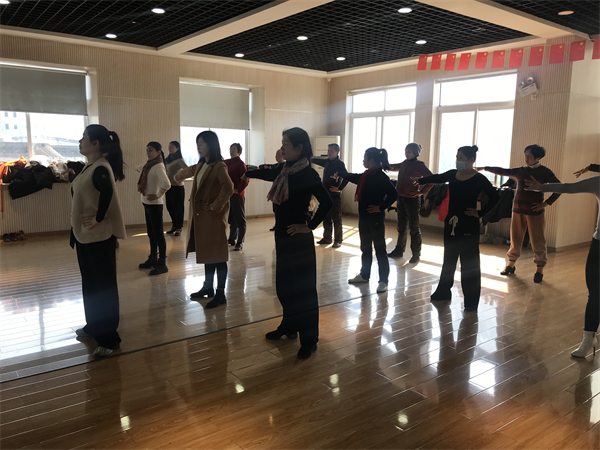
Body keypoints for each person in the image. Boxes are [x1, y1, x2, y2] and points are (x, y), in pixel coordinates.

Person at [244, 127, 332, 359]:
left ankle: (309, 340)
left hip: (299, 238)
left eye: (285, 143)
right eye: (282, 142)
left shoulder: (308, 174)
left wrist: (309, 226)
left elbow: (327, 202)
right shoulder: (284, 170)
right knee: (285, 287)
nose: (282, 147)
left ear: (299, 147)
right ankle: (289, 326)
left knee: (304, 291)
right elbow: (265, 172)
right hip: (283, 235)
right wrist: (244, 171)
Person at [526, 166, 600, 357]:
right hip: (599, 245)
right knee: (595, 294)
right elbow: (570, 187)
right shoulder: (598, 182)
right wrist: (542, 187)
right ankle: (588, 338)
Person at [416, 145, 499, 311]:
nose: (457, 160)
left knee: (469, 263)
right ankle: (443, 292)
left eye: (461, 158)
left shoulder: (479, 178)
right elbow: (438, 178)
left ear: (471, 160)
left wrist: (480, 213)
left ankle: (471, 301)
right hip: (451, 222)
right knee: (449, 259)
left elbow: (495, 197)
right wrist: (420, 180)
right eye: (457, 157)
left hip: (468, 223)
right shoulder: (453, 174)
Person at [71, 124, 126, 357]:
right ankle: (94, 325)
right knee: (91, 284)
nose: (80, 141)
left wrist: (99, 217)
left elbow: (107, 192)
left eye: (83, 137)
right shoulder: (90, 166)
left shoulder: (101, 167)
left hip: (99, 238)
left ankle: (109, 339)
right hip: (86, 237)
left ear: (95, 143)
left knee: (103, 287)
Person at [478, 145, 561, 283]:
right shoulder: (521, 170)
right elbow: (503, 171)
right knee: (515, 238)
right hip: (517, 210)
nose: (526, 158)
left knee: (538, 240)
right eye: (525, 155)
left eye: (529, 156)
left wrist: (546, 203)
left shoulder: (545, 172)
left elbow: (558, 187)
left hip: (535, 212)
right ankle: (510, 265)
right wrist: (484, 168)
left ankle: (539, 269)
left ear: (538, 157)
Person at [174, 131, 234, 309]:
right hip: (203, 219)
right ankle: (208, 287)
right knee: (208, 254)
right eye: (197, 144)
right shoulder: (202, 164)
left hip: (213, 219)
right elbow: (187, 171)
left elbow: (228, 187)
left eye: (201, 144)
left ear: (211, 145)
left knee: (218, 256)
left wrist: (216, 205)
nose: (198, 147)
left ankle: (221, 293)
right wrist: (176, 176)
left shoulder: (219, 166)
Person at [339, 147, 397, 293]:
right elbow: (354, 177)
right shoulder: (366, 175)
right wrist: (340, 174)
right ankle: (364, 275)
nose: (363, 160)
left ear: (371, 160)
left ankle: (383, 281)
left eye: (364, 158)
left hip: (375, 218)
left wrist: (381, 207)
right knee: (365, 248)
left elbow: (393, 194)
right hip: (364, 217)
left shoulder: (381, 177)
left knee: (380, 249)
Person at [387, 143, 434, 263]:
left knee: (414, 227)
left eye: (409, 151)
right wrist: (384, 165)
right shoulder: (404, 163)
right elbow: (394, 166)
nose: (406, 153)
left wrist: (421, 192)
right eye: (406, 151)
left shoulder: (419, 165)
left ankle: (416, 254)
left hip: (412, 200)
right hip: (401, 198)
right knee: (401, 226)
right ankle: (399, 250)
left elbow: (431, 179)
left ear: (415, 153)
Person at [137, 142, 171, 275]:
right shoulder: (149, 165)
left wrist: (158, 195)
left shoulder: (157, 166)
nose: (148, 152)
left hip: (155, 205)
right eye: (147, 150)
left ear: (158, 152)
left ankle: (162, 263)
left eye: (150, 150)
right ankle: (153, 258)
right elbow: (141, 168)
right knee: (151, 233)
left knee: (158, 234)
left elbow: (167, 183)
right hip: (147, 203)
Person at [312, 143, 348, 248]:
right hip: (325, 194)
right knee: (326, 216)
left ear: (337, 152)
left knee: (336, 218)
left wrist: (339, 188)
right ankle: (327, 238)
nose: (329, 153)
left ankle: (338, 240)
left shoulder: (340, 164)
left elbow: (346, 177)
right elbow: (315, 160)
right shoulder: (327, 162)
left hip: (335, 195)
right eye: (328, 150)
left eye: (331, 151)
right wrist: (306, 157)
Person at [225, 143, 249, 251]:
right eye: (230, 149)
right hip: (229, 195)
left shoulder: (241, 164)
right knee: (232, 219)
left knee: (240, 220)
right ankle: (231, 239)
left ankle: (240, 242)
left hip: (238, 196)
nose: (231, 151)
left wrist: (238, 190)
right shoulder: (228, 162)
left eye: (234, 149)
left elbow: (246, 179)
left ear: (239, 152)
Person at [164, 141, 188, 237]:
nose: (170, 148)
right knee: (170, 207)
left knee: (178, 208)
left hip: (177, 188)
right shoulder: (167, 159)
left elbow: (188, 171)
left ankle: (179, 227)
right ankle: (174, 225)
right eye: (169, 146)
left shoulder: (179, 160)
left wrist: (179, 179)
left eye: (172, 147)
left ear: (177, 148)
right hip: (168, 187)